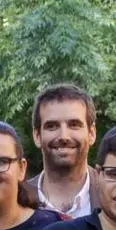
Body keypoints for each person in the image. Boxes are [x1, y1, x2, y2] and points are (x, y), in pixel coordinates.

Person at [25, 83, 97, 216]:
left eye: (74, 125)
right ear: (36, 135)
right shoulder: (15, 199)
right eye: (52, 126)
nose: (64, 136)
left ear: (91, 133)